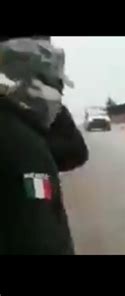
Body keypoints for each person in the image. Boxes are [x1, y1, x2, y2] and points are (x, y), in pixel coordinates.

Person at [0, 37, 78, 254]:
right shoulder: (19, 141)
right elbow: (39, 233)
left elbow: (74, 151)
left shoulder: (27, 128)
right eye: (50, 84)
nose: (56, 96)